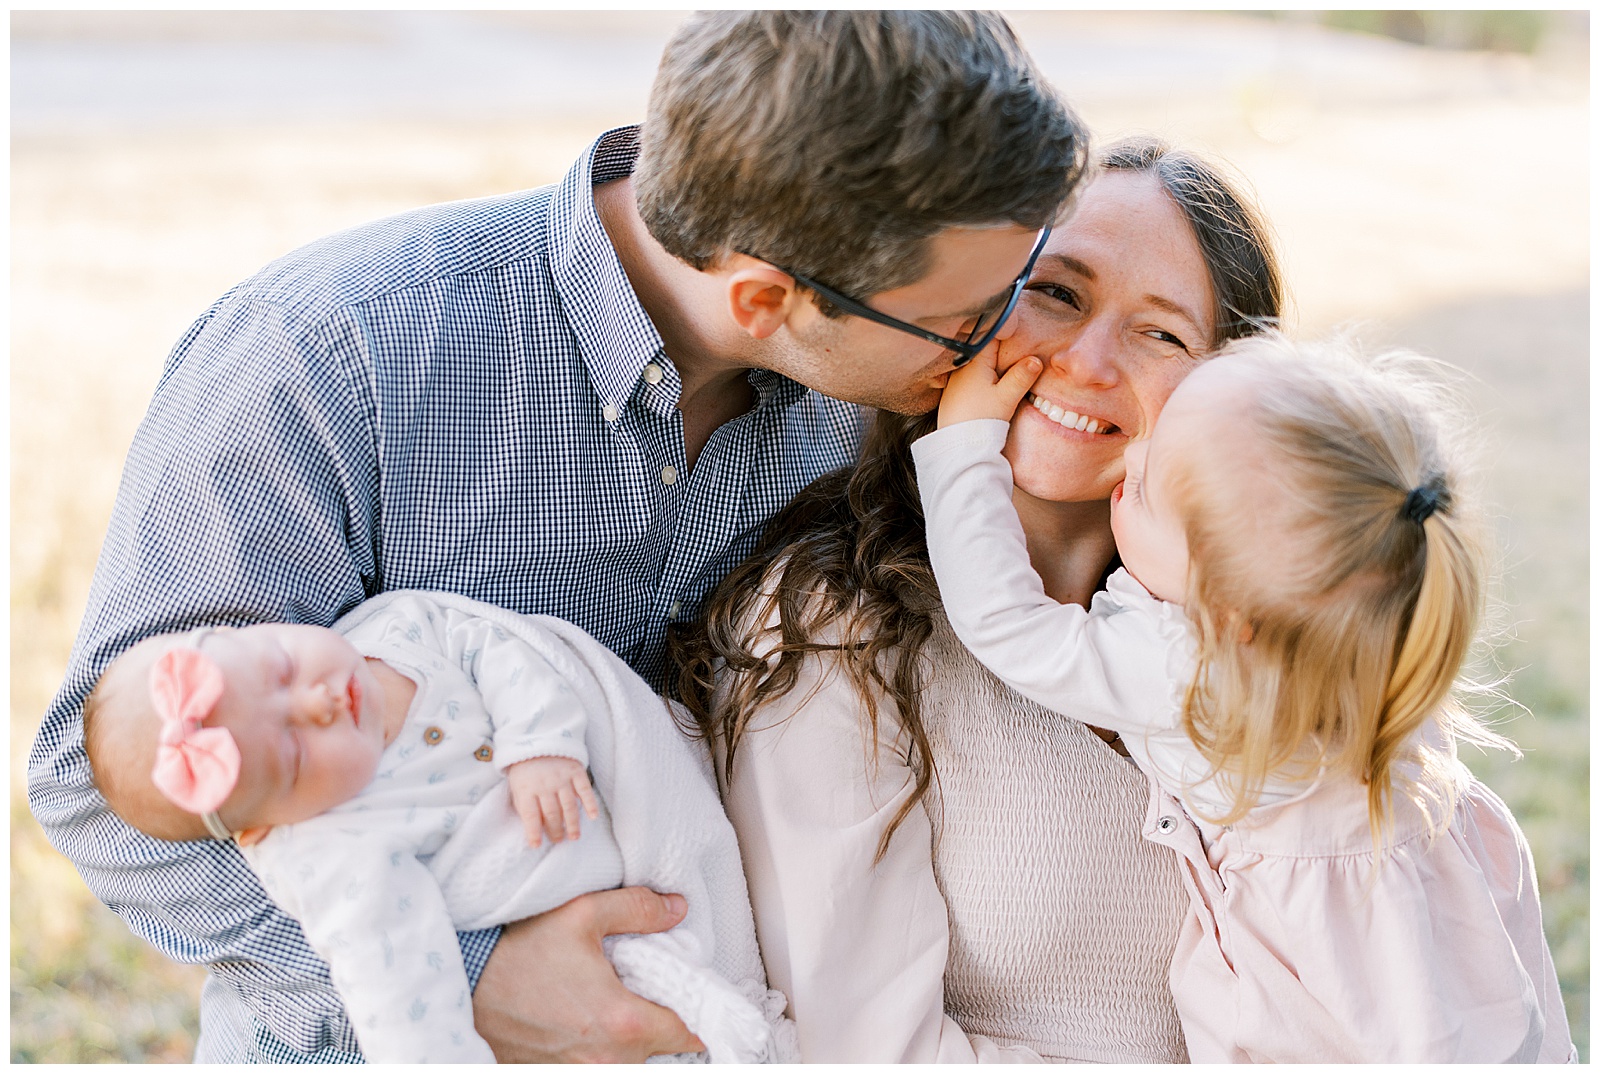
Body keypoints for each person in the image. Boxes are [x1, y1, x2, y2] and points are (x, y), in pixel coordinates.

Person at [27, 11, 1088, 1063]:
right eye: (964, 320)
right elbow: (104, 797)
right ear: (768, 297)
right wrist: (476, 977)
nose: (996, 345)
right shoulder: (323, 356)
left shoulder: (883, 390)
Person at [676, 138, 1286, 1061]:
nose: (1086, 361)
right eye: (1056, 294)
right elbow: (859, 1049)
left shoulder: (1270, 636)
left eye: (1161, 332)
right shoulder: (830, 630)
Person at [913, 332, 1574, 1062]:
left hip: (1326, 987)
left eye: (1146, 489)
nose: (1129, 457)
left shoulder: (1196, 667)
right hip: (1434, 930)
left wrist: (964, 445)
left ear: (1227, 612)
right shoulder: (1344, 611)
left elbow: (1006, 624)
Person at [80, 591, 792, 1064]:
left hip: (621, 790)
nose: (320, 700)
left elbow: (491, 645)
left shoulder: (389, 632)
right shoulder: (336, 853)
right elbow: (404, 998)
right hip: (570, 915)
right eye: (294, 753)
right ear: (264, 830)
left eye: (281, 667)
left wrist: (538, 743)